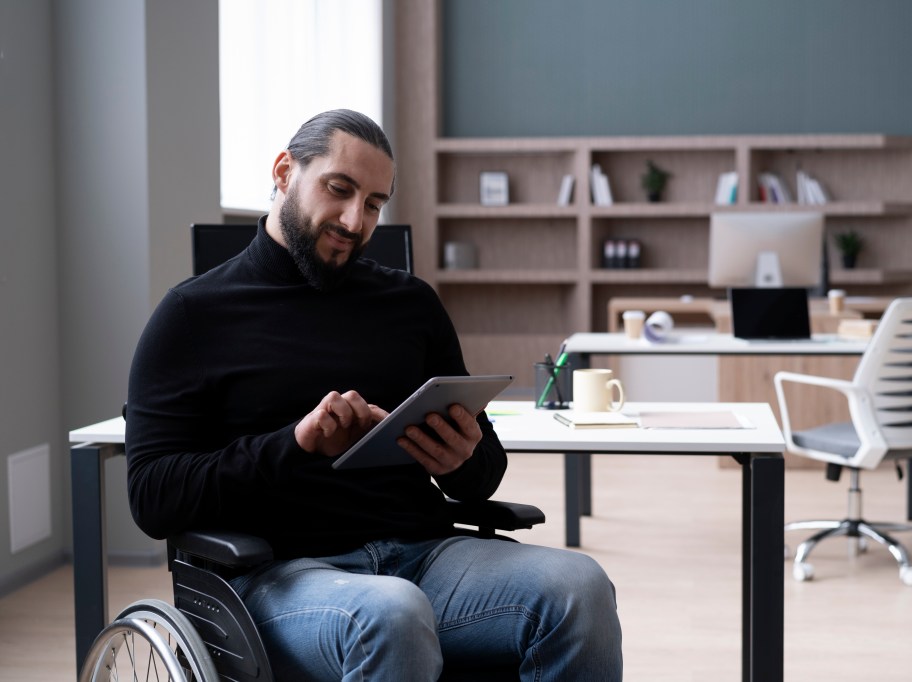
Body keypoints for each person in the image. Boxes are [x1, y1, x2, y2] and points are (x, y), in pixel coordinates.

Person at [125, 109, 623, 681]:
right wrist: (295, 444)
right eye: (339, 190)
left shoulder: (410, 304)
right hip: (278, 575)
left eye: (374, 204)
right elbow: (152, 497)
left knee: (578, 586)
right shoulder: (192, 315)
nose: (354, 220)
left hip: (424, 554)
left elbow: (484, 474)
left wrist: (463, 462)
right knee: (391, 611)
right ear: (285, 172)